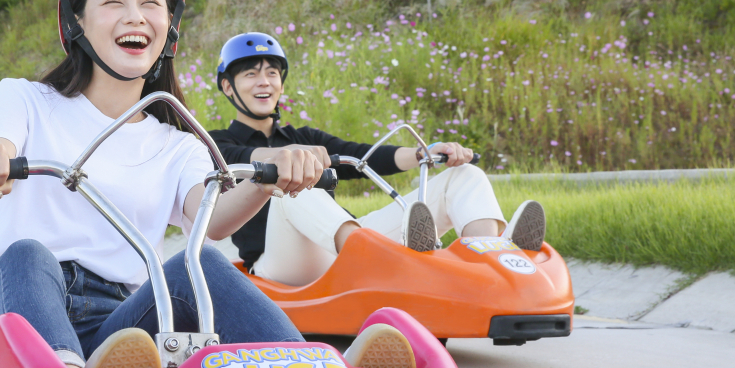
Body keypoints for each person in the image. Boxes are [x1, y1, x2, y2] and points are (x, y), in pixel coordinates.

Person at [0, 0, 416, 368]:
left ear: (168, 30)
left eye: (151, 4)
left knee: (203, 264)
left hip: (116, 332)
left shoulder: (178, 144)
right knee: (27, 253)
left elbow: (209, 219)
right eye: (113, 3)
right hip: (4, 329)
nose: (135, 16)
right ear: (77, 23)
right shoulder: (26, 100)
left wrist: (265, 176)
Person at [208, 31, 546, 287]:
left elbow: (364, 156)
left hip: (345, 248)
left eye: (271, 73)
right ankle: (376, 260)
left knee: (465, 177)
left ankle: (487, 264)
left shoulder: (306, 137)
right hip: (282, 265)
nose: (264, 82)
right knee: (299, 184)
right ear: (228, 87)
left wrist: (422, 154)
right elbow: (240, 157)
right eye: (250, 74)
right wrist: (289, 158)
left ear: (281, 83)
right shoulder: (217, 143)